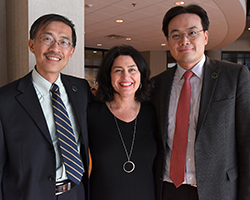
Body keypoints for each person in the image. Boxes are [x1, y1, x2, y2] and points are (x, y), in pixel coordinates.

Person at [151, 4, 250, 200]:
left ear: (205, 36)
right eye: (176, 35)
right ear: (168, 42)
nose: (184, 40)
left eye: (192, 32)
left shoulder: (234, 76)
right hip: (167, 189)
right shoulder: (157, 84)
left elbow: (247, 142)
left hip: (219, 190)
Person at [0, 14, 92, 200]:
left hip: (75, 193)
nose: (55, 48)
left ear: (71, 51)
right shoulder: (5, 99)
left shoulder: (81, 90)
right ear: (32, 45)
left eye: (64, 42)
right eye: (47, 39)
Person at [87, 45, 157, 200]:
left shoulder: (153, 113)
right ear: (108, 76)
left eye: (132, 70)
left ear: (141, 74)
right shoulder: (91, 113)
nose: (126, 77)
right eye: (118, 70)